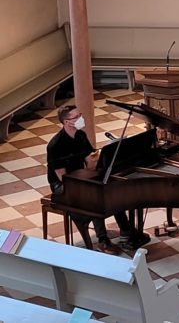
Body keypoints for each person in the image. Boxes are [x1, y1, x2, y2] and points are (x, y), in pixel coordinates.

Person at [47, 105, 146, 254]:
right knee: (92, 197)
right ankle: (103, 240)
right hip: (62, 184)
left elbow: (90, 160)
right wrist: (86, 183)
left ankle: (126, 232)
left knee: (112, 189)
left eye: (80, 114)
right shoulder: (56, 145)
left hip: (81, 176)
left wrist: (94, 168)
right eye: (76, 117)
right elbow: (62, 176)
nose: (81, 118)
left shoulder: (80, 136)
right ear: (67, 122)